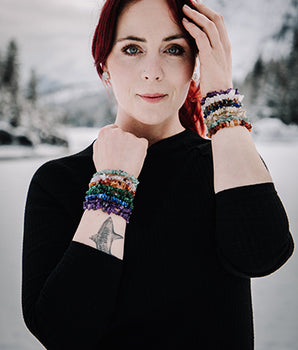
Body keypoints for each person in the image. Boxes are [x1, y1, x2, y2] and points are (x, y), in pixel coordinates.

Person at [22, 0, 294, 349]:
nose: (152, 71)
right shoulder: (58, 181)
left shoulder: (225, 162)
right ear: (104, 64)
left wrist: (221, 98)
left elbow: (262, 255)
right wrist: (111, 189)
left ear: (194, 64)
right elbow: (62, 331)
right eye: (132, 48)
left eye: (174, 49)